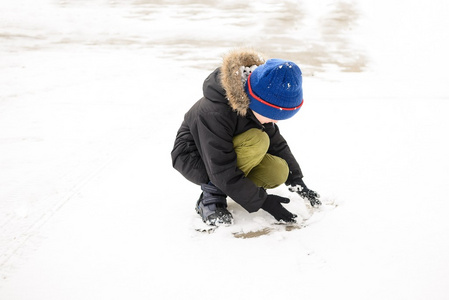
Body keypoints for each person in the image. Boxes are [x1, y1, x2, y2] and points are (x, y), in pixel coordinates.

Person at [171, 48, 320, 226]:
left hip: (227, 156)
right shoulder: (215, 112)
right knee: (258, 140)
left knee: (278, 170)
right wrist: (263, 201)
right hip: (197, 158)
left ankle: (237, 188)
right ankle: (211, 198)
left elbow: (277, 144)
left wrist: (297, 181)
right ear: (260, 104)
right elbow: (220, 165)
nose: (275, 122)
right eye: (273, 116)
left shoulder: (254, 107)